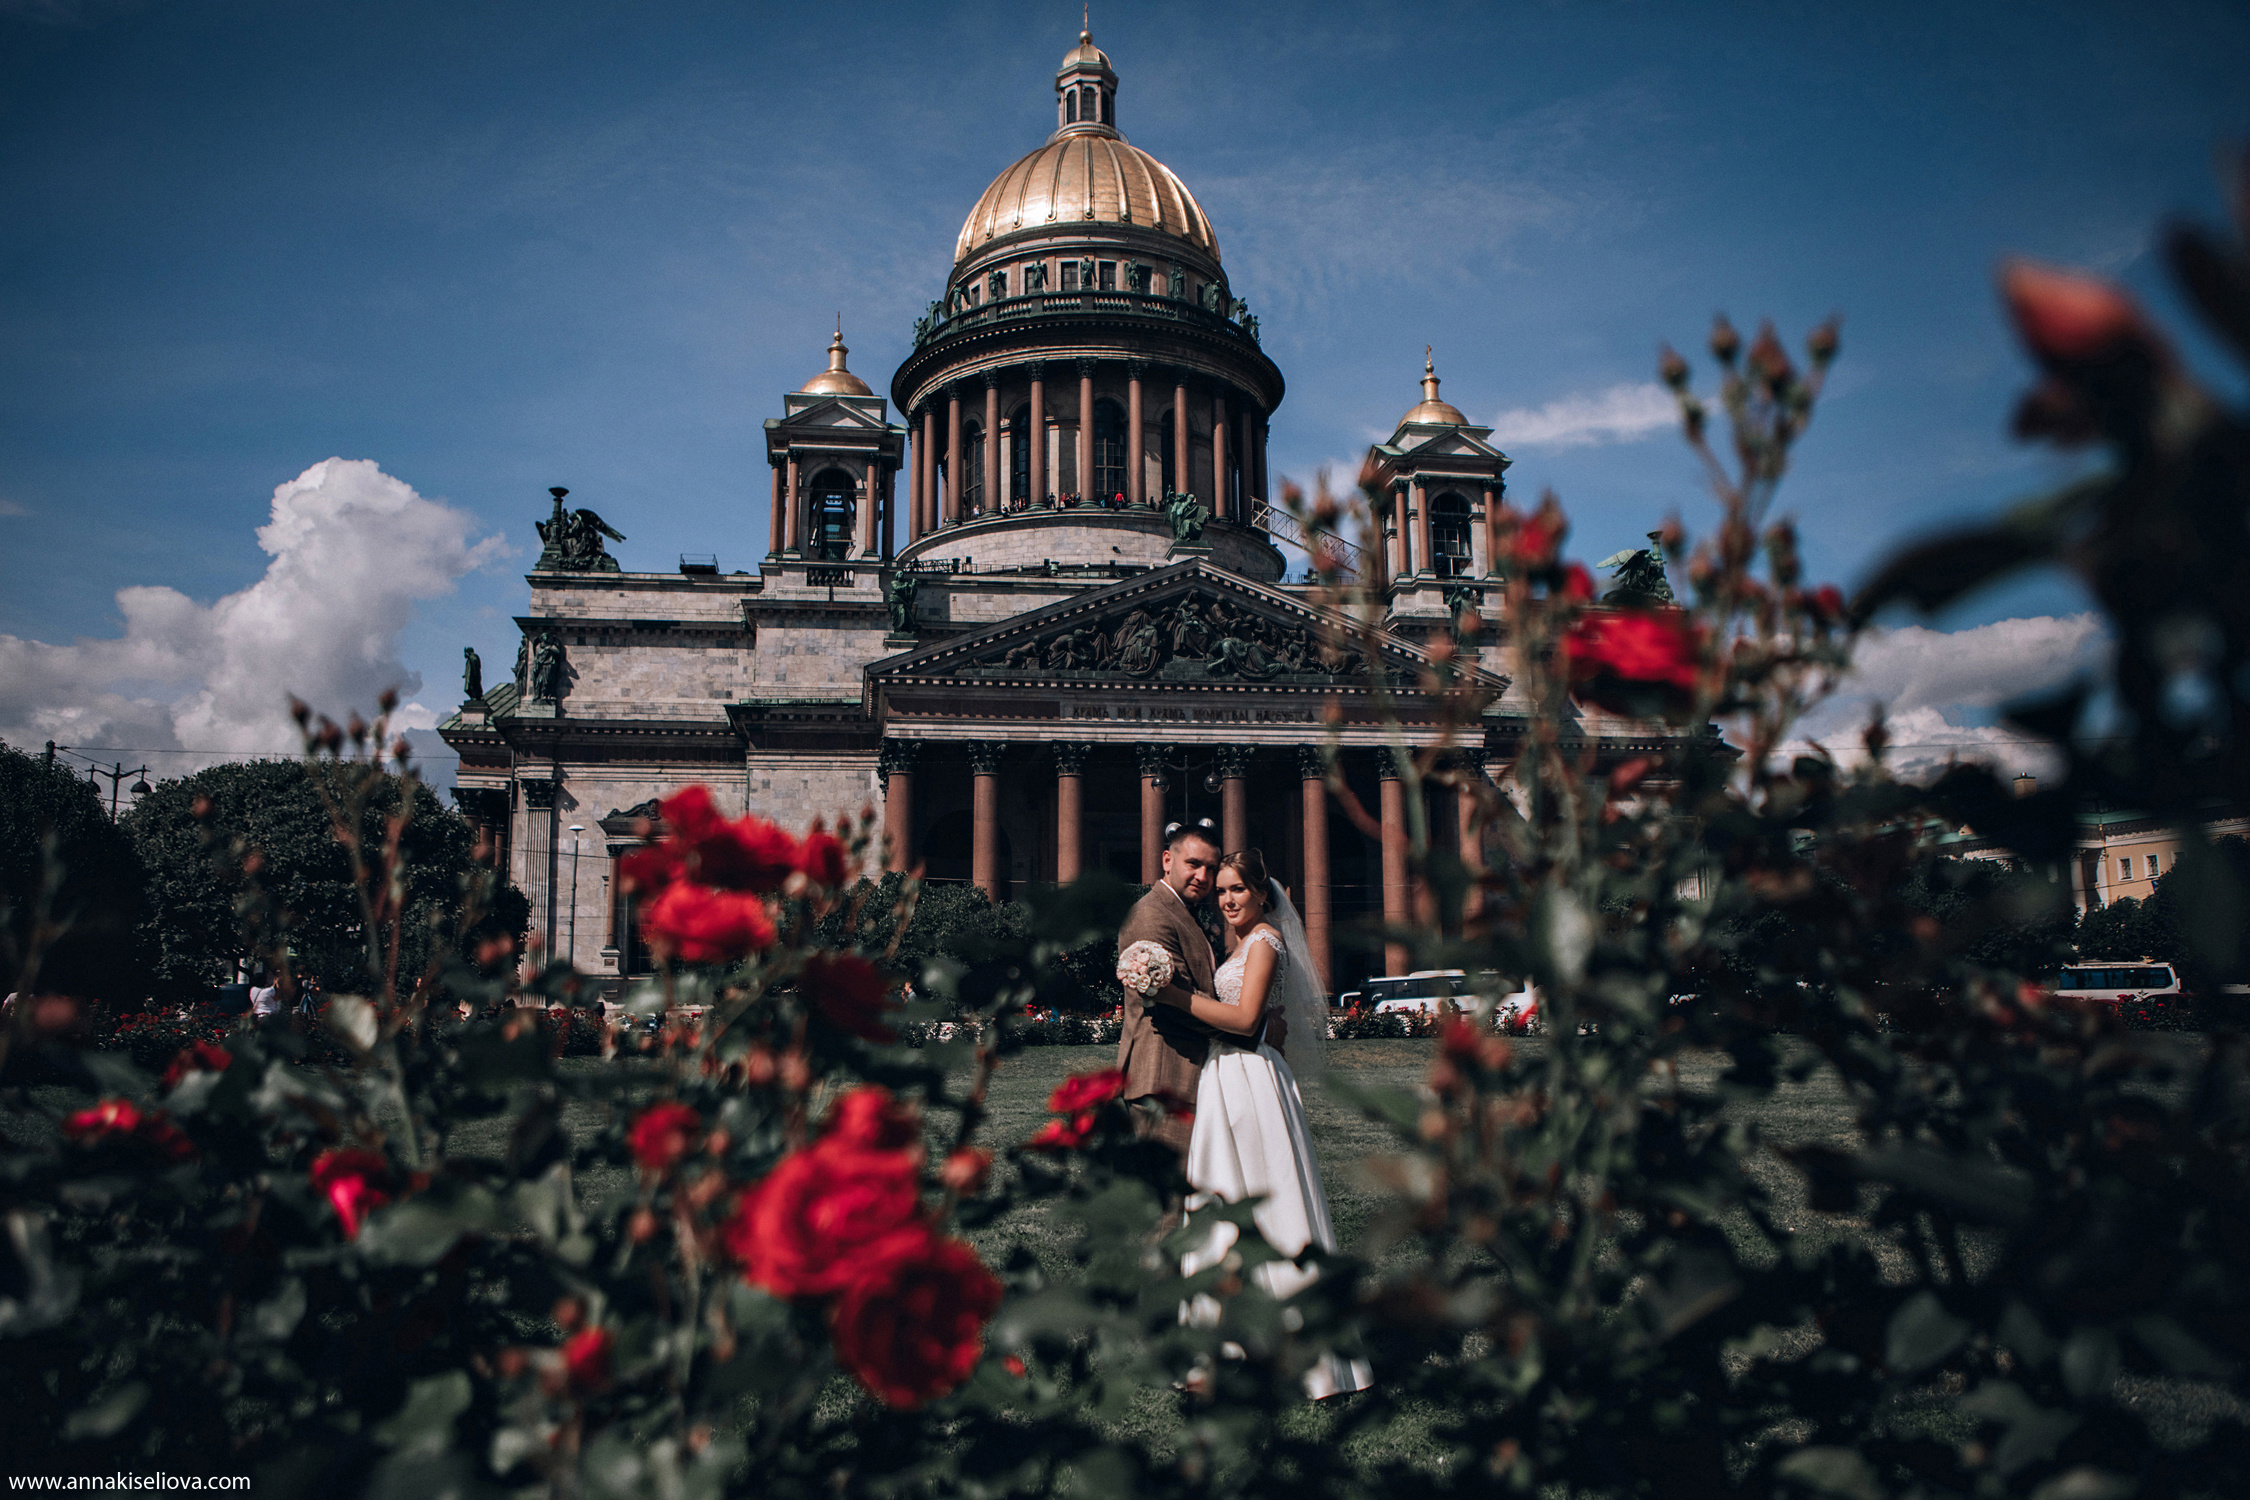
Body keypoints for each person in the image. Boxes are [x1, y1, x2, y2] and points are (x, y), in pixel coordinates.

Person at [1172, 848, 1372, 1399]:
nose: (1227, 900)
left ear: (1263, 893)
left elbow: (1244, 1019)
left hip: (1252, 1077)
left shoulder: (1265, 941)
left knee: (1273, 1203)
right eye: (1221, 891)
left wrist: (1174, 997)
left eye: (1238, 889)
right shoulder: (1238, 945)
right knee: (1223, 1197)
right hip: (1228, 1074)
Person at [1114, 819, 1226, 1151]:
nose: (1203, 876)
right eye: (1193, 864)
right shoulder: (1152, 914)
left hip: (1182, 1075)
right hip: (1163, 1078)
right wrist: (1247, 1026)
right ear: (1167, 860)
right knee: (1173, 1183)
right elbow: (1178, 1002)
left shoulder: (1182, 911)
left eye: (1211, 868)